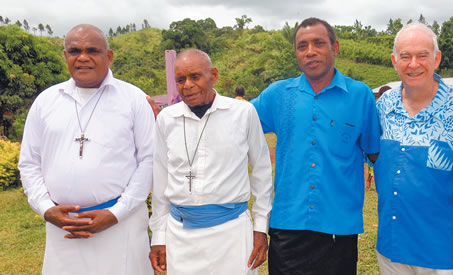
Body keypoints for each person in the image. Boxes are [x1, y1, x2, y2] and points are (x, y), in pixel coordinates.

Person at [18, 24, 154, 274]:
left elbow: (149, 161)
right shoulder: (46, 101)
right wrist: (47, 209)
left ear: (109, 56)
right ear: (65, 56)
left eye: (92, 50)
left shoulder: (134, 99)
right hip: (64, 228)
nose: (83, 57)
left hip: (120, 226)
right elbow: (29, 162)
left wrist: (116, 213)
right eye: (74, 51)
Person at [251, 17, 380, 274]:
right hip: (288, 225)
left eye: (318, 43)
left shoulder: (360, 95)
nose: (310, 51)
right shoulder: (277, 94)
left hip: (338, 227)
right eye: (302, 46)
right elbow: (235, 122)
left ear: (335, 47)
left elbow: (375, 152)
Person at [148, 49, 273, 274]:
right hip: (180, 236)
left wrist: (261, 228)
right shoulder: (167, 119)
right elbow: (161, 179)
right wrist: (159, 236)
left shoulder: (243, 113)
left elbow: (262, 172)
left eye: (195, 77)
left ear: (213, 75)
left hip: (232, 233)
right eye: (181, 79)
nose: (187, 85)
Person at [374, 22, 453, 275]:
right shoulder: (383, 105)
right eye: (405, 56)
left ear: (437, 58)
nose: (413, 64)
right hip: (392, 249)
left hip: (444, 252)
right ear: (394, 61)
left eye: (422, 55)